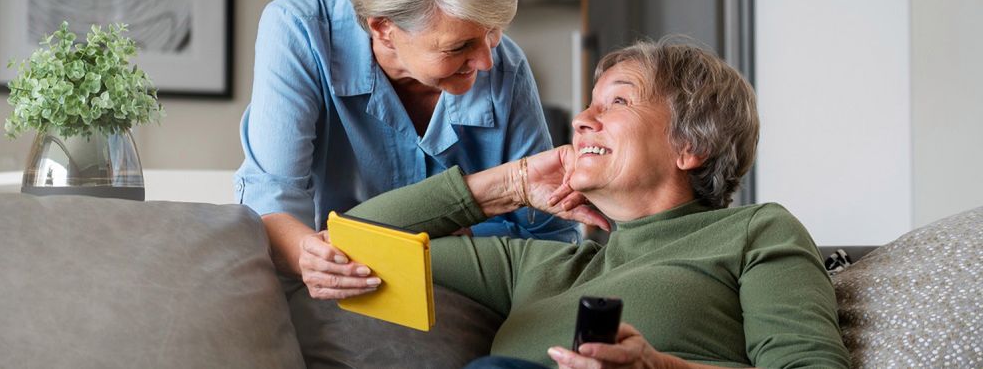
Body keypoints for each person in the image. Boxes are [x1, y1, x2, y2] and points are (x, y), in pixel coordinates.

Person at [336, 39, 850, 369]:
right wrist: (510, 184)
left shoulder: (756, 231)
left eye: (618, 102)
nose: (581, 118)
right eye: (589, 102)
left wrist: (658, 367)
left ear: (690, 145)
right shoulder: (535, 265)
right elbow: (351, 244)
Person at [234, 0, 580, 301]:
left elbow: (551, 237)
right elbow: (273, 202)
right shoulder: (300, 28)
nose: (488, 62)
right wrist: (310, 255)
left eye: (494, 32)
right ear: (383, 27)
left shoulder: (505, 64)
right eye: (459, 47)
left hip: (469, 299)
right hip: (337, 299)